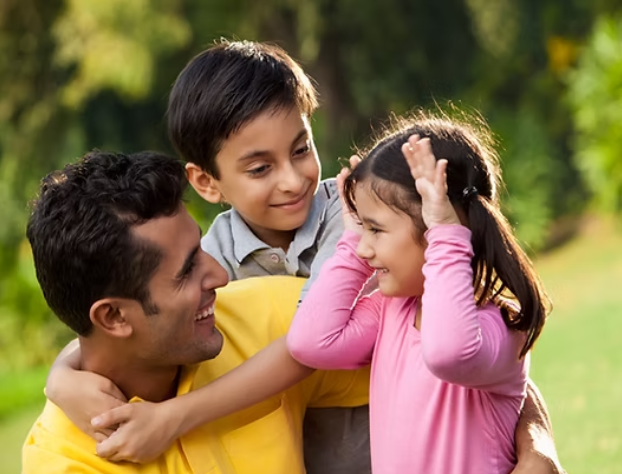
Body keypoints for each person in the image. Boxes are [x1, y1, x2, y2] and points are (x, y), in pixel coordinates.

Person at [46, 41, 564, 473]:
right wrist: (63, 375)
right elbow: (133, 325)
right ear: (206, 182)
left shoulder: (357, 220)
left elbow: (325, 345)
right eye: (259, 169)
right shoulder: (215, 256)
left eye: (301, 149)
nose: (294, 181)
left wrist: (176, 417)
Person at [22, 150, 369, 474]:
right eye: (187, 270)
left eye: (201, 248)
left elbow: (398, 327)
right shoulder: (63, 461)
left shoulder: (266, 315)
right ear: (114, 317)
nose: (220, 276)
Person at [287, 111, 553, 473]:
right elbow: (311, 341)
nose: (364, 248)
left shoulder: (502, 327)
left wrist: (446, 235)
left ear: (437, 229)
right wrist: (350, 243)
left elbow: (447, 354)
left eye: (375, 230)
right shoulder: (391, 310)